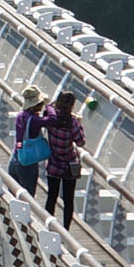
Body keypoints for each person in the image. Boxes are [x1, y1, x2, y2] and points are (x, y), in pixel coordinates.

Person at [41, 91, 86, 227]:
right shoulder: (72, 122)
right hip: (69, 165)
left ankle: (48, 226)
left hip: (54, 164)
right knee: (68, 199)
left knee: (51, 197)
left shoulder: (51, 119)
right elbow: (80, 142)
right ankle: (66, 229)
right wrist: (79, 122)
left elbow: (47, 108)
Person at [6, 86, 49, 193]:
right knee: (28, 198)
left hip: (15, 158)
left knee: (13, 197)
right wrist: (50, 108)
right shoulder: (34, 120)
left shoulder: (21, 115)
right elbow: (52, 120)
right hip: (27, 163)